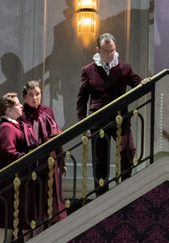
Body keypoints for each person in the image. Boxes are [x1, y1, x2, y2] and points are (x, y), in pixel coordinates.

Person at [76, 33, 145, 189]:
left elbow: (137, 82)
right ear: (98, 50)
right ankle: (102, 193)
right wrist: (83, 124)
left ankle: (124, 186)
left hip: (120, 117)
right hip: (98, 119)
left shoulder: (125, 68)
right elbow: (82, 100)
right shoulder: (88, 70)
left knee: (128, 150)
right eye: (106, 51)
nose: (109, 54)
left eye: (112, 50)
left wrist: (144, 82)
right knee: (100, 159)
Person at [20, 80, 66, 223]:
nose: (34, 98)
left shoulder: (47, 111)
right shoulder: (21, 114)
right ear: (25, 97)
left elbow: (55, 137)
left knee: (49, 197)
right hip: (30, 161)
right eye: (30, 95)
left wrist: (61, 161)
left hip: (49, 161)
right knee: (32, 201)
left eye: (37, 94)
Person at [0, 94, 27, 243]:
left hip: (9, 182)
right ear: (8, 110)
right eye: (17, 104)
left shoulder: (14, 125)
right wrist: (28, 157)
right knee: (4, 225)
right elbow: (8, 153)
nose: (21, 106)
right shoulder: (6, 128)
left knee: (8, 222)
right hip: (5, 183)